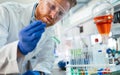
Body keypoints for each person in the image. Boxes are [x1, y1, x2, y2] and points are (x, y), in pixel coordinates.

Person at [0, 0, 76, 75]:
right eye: (52, 6)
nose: (53, 16)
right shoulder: (5, 12)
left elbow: (47, 60)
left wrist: (39, 72)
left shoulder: (49, 31)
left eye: (60, 13)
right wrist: (19, 49)